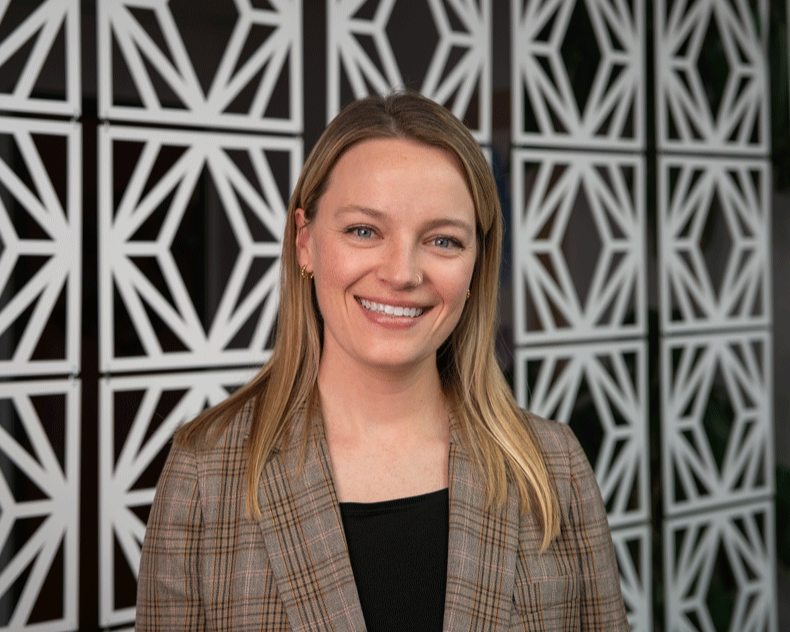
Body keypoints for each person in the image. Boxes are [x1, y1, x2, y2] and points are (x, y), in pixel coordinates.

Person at [135, 91, 628, 631]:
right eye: (364, 231)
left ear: (476, 266)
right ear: (305, 242)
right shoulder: (206, 473)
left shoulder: (555, 468)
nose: (402, 273)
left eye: (443, 240)